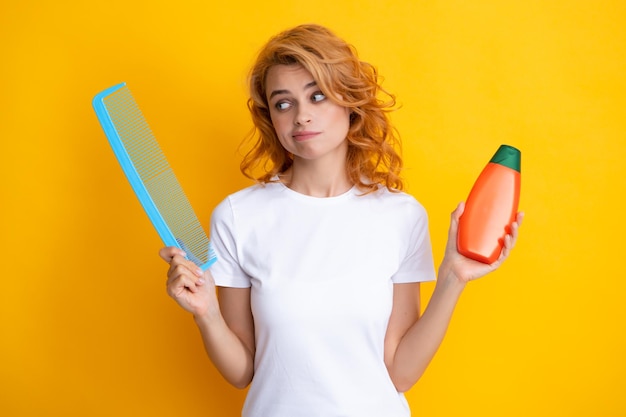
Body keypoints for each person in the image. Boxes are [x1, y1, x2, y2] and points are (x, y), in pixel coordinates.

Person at [159, 24, 523, 417]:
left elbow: (399, 373)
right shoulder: (238, 216)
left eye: (317, 96)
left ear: (350, 103)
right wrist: (207, 314)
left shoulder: (401, 215)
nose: (301, 116)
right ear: (271, 118)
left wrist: (452, 277)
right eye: (284, 103)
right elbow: (243, 370)